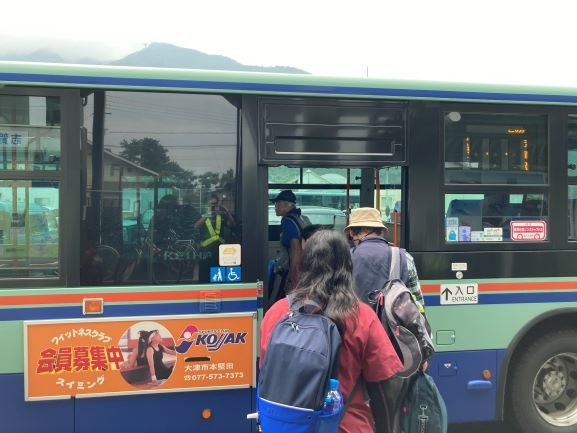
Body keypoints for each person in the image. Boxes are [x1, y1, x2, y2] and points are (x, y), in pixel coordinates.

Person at [260, 229, 403, 433]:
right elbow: (384, 387)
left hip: (286, 427)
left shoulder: (277, 313)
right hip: (346, 426)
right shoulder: (360, 316)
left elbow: (266, 371)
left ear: (305, 264)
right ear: (347, 265)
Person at [345, 207, 425, 313]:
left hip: (357, 326)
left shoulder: (345, 258)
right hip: (392, 328)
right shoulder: (404, 257)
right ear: (381, 232)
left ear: (352, 233)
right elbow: (418, 303)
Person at [271, 189, 310, 292]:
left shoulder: (288, 221)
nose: (275, 207)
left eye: (277, 203)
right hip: (306, 269)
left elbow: (295, 250)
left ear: (287, 204)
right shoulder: (302, 218)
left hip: (293, 271)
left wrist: (290, 278)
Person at [195, 194, 235, 282]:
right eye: (211, 204)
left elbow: (232, 224)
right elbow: (196, 226)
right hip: (206, 251)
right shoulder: (202, 214)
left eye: (215, 204)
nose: (213, 206)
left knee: (218, 277)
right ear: (206, 205)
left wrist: (226, 212)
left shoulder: (221, 215)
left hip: (219, 250)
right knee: (204, 277)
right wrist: (207, 215)